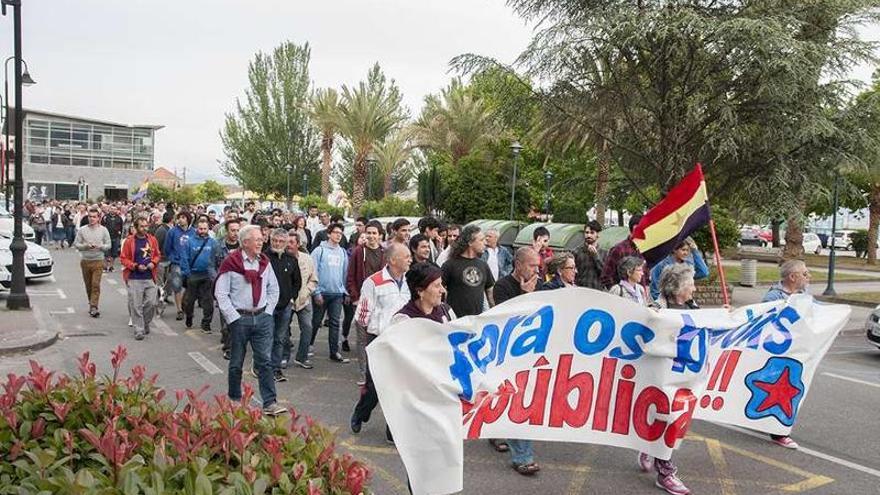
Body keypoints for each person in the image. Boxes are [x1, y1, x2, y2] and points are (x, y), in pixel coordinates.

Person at [214, 224, 286, 416]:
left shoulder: (265, 263)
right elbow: (221, 294)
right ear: (245, 242)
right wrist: (233, 318)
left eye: (262, 239)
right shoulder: (231, 263)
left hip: (262, 318)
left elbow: (273, 289)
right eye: (257, 240)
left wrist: (268, 311)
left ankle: (270, 402)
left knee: (265, 361)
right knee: (236, 362)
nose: (261, 242)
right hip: (240, 319)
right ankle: (235, 399)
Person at [637, 262, 693, 495]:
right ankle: (665, 473)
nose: (695, 289)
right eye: (691, 285)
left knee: (671, 419)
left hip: (684, 378)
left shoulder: (694, 308)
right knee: (669, 419)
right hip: (659, 378)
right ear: (677, 288)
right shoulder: (655, 310)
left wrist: (724, 316)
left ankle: (648, 446)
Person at [350, 243, 412, 443]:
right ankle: (361, 412)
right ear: (393, 260)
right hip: (379, 340)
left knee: (398, 387)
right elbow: (362, 315)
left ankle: (392, 430)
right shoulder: (374, 282)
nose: (410, 259)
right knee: (374, 387)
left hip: (403, 341)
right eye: (406, 256)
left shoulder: (409, 282)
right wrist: (370, 339)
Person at [489, 246, 542, 475]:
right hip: (508, 353)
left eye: (538, 266)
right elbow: (507, 319)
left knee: (517, 400)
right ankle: (522, 455)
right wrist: (526, 296)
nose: (536, 270)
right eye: (532, 265)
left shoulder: (541, 285)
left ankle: (495, 429)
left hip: (533, 353)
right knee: (517, 399)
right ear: (518, 264)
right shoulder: (502, 286)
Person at [760, 259, 809, 450]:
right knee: (782, 392)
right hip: (778, 354)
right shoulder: (773, 297)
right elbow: (765, 323)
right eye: (804, 273)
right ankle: (780, 433)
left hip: (796, 353)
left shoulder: (804, 295)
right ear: (792, 277)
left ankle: (773, 425)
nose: (808, 276)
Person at [346, 220, 385, 382]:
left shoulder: (385, 253)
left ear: (380, 235)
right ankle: (364, 373)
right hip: (363, 301)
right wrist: (355, 297)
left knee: (379, 337)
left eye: (374, 233)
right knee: (362, 339)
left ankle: (377, 372)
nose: (371, 236)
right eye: (368, 232)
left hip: (381, 302)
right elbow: (350, 276)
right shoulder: (358, 252)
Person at [310, 223, 350, 363]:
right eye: (335, 232)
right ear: (328, 234)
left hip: (337, 294)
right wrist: (316, 292)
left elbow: (345, 273)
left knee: (335, 323)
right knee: (315, 322)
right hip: (321, 293)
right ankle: (308, 346)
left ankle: (334, 352)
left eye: (341, 233)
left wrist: (345, 291)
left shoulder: (343, 252)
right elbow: (312, 272)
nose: (338, 235)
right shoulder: (319, 251)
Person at [266, 229, 302, 383]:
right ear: (270, 240)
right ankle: (264, 367)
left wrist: (291, 298)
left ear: (286, 243)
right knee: (267, 337)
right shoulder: (264, 258)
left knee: (280, 338)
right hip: (267, 306)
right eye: (275, 241)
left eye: (281, 241)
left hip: (285, 306)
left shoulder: (291, 259)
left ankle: (276, 368)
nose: (277, 244)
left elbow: (297, 282)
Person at [120, 217, 161, 340]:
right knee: (136, 305)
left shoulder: (152, 240)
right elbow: (123, 258)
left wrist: (153, 263)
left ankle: (145, 323)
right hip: (134, 277)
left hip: (149, 277)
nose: (145, 228)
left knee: (151, 303)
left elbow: (158, 255)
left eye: (146, 226)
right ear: (136, 227)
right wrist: (135, 266)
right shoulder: (129, 241)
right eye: (142, 226)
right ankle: (139, 329)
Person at [442, 225, 495, 317]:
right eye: (481, 240)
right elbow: (439, 290)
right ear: (470, 242)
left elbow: (490, 292)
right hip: (455, 321)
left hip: (476, 321)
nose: (485, 243)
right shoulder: (450, 265)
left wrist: (495, 313)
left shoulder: (483, 265)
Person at [180, 219, 218, 332]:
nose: (202, 231)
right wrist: (187, 273)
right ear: (197, 229)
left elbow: (217, 258)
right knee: (189, 301)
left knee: (208, 302)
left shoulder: (213, 242)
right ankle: (189, 317)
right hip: (193, 275)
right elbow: (184, 258)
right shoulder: (189, 242)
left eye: (205, 229)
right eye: (200, 229)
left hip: (207, 276)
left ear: (208, 229)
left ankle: (206, 323)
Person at [287, 230, 318, 369]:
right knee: (282, 331)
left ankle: (302, 357)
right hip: (287, 302)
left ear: (298, 244)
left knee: (307, 328)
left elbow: (313, 279)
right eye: (287, 242)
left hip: (304, 300)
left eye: (292, 242)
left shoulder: (307, 258)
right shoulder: (281, 259)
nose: (288, 245)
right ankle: (283, 356)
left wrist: (307, 291)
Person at [74, 208, 111, 317]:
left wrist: (101, 246)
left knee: (95, 284)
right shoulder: (82, 230)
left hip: (98, 260)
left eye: (94, 217)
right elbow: (76, 244)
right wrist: (85, 246)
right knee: (88, 285)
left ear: (98, 218)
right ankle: (91, 302)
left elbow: (108, 245)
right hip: (85, 260)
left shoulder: (104, 230)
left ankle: (94, 306)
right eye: (90, 216)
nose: (92, 219)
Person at [214, 218, 241, 360]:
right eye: (233, 230)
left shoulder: (244, 247)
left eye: (238, 230)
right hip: (224, 289)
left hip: (239, 289)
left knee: (236, 319)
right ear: (226, 231)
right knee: (226, 320)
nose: (235, 233)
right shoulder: (218, 247)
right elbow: (211, 266)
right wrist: (217, 281)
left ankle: (232, 346)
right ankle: (228, 344)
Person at [164, 212, 196, 321]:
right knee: (177, 286)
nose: (181, 220)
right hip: (177, 263)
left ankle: (186, 304)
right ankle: (179, 310)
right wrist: (173, 258)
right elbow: (167, 248)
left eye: (183, 218)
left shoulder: (194, 232)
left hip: (190, 263)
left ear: (188, 219)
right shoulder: (172, 232)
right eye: (179, 218)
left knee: (191, 286)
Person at [601, 213, 647, 288]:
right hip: (622, 296)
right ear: (634, 228)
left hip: (640, 296)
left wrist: (645, 290)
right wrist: (619, 293)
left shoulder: (645, 249)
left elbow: (646, 276)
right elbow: (606, 276)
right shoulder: (619, 250)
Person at [572, 220, 606, 289]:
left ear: (598, 234)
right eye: (587, 233)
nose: (589, 235)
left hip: (597, 292)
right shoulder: (576, 251)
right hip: (580, 291)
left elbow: (604, 274)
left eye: (592, 233)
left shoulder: (604, 253)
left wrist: (596, 256)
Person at [102, 205, 125, 272]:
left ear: (117, 210)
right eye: (112, 209)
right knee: (106, 253)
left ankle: (111, 267)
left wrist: (120, 237)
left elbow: (121, 228)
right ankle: (105, 267)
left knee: (114, 253)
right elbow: (102, 226)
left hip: (116, 237)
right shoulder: (105, 217)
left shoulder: (119, 218)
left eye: (114, 209)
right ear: (109, 209)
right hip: (106, 238)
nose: (113, 210)